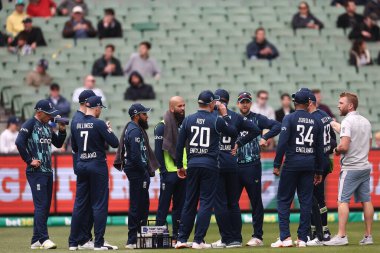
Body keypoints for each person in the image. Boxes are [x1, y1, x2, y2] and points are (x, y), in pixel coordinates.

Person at [174, 90, 239, 249]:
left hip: (193, 164)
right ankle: (198, 240)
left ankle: (181, 239)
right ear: (211, 103)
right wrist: (224, 114)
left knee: (189, 202)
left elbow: (179, 145)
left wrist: (179, 166)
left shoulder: (188, 120)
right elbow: (232, 132)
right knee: (205, 203)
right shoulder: (216, 119)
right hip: (210, 165)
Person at [271, 89, 324, 248]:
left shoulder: (289, 118)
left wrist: (276, 164)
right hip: (309, 164)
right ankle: (302, 239)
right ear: (309, 103)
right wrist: (319, 171)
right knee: (306, 201)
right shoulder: (316, 121)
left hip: (292, 164)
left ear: (294, 103)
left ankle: (285, 238)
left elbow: (282, 143)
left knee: (283, 200)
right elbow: (319, 149)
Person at [211, 90, 262, 249]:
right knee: (233, 203)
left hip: (217, 164)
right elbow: (255, 130)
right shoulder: (236, 117)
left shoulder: (211, 117)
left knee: (220, 204)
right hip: (233, 164)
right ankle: (236, 239)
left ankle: (225, 238)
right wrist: (239, 142)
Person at [231, 92, 281, 247]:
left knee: (256, 202)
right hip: (234, 165)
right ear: (238, 104)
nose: (244, 104)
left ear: (250, 103)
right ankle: (233, 237)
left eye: (247, 101)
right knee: (232, 203)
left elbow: (277, 126)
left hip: (252, 165)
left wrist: (265, 137)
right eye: (242, 102)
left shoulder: (258, 119)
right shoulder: (232, 119)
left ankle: (257, 236)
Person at [15, 99, 67, 250]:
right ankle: (44, 239)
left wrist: (62, 130)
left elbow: (57, 143)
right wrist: (29, 160)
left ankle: (36, 240)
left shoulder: (47, 126)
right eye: (48, 114)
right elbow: (19, 142)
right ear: (39, 113)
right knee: (41, 205)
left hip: (47, 171)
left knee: (45, 206)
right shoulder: (30, 124)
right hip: (35, 171)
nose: (51, 117)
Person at [324, 92, 374, 246]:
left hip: (350, 168)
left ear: (350, 105)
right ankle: (368, 236)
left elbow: (344, 146)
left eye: (341, 103)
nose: (338, 105)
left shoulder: (347, 121)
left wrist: (336, 150)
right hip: (364, 166)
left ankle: (341, 236)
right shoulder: (366, 121)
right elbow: (368, 143)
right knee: (366, 201)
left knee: (342, 201)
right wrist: (335, 125)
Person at [70, 96, 119, 250]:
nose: (100, 111)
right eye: (100, 108)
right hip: (97, 165)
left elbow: (75, 148)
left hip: (82, 164)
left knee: (79, 204)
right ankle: (98, 243)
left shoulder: (77, 124)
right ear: (96, 107)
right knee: (99, 205)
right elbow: (115, 143)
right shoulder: (99, 123)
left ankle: (73, 243)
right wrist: (108, 129)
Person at [123, 103, 159, 249]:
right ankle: (132, 239)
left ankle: (139, 236)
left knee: (142, 203)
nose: (147, 116)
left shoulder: (134, 129)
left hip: (137, 171)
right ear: (137, 116)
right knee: (138, 205)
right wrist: (144, 171)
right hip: (137, 172)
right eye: (144, 114)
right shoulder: (134, 131)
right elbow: (135, 156)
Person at [304, 89, 337, 246]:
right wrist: (326, 152)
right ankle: (324, 230)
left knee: (312, 198)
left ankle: (315, 232)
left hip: (314, 162)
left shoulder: (309, 119)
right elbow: (333, 140)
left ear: (309, 102)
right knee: (319, 198)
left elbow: (311, 144)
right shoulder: (325, 115)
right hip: (325, 161)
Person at [155, 96, 187, 244]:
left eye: (184, 105)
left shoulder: (185, 125)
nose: (183, 108)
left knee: (179, 207)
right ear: (172, 108)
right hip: (169, 172)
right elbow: (158, 152)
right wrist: (163, 172)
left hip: (182, 172)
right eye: (179, 106)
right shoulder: (161, 126)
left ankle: (177, 237)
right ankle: (159, 237)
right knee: (163, 206)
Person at [68, 89, 96, 250]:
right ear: (87, 102)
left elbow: (75, 147)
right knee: (83, 204)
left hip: (80, 165)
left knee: (84, 204)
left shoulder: (76, 119)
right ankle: (79, 239)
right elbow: (78, 148)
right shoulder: (81, 119)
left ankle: (80, 239)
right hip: (84, 164)